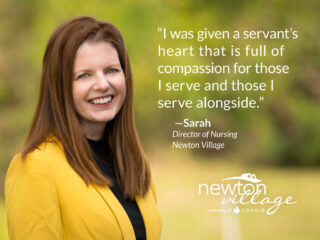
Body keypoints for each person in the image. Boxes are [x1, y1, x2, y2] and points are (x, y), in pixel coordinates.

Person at [5, 16, 162, 240]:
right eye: (84, 75)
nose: (102, 84)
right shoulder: (35, 167)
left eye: (111, 70)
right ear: (59, 87)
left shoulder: (134, 162)